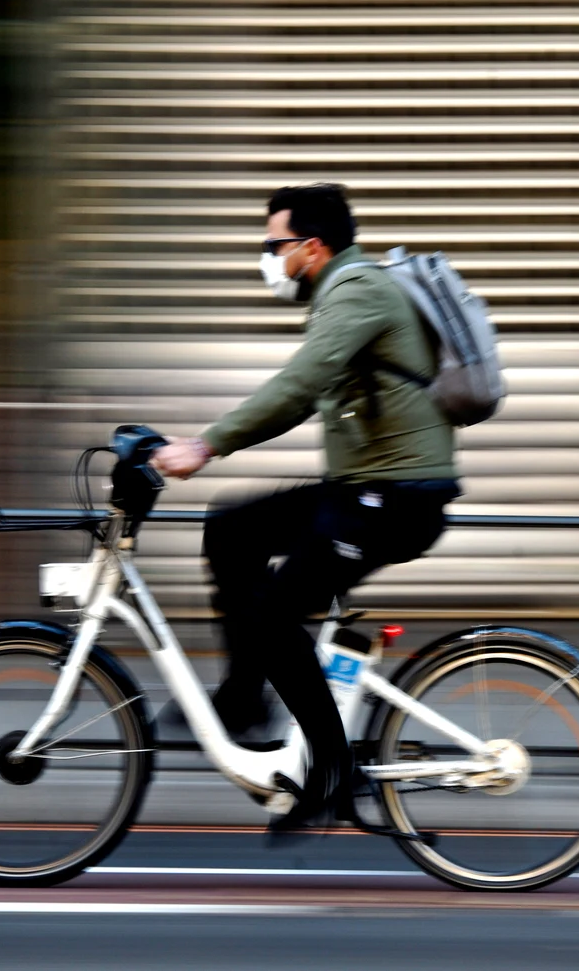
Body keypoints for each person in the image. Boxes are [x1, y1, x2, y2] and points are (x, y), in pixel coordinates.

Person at [150, 182, 460, 835]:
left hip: (396, 499)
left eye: (274, 245)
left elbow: (299, 386)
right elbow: (308, 392)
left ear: (311, 247)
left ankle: (330, 769)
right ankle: (244, 700)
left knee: (273, 614)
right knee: (232, 528)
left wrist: (205, 445)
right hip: (360, 488)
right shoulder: (341, 292)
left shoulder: (357, 290)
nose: (267, 257)